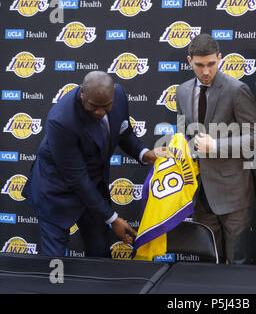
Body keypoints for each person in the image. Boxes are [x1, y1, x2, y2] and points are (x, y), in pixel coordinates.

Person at [22, 71, 162, 257]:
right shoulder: (61, 120)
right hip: (55, 192)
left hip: (92, 190)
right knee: (54, 263)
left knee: (99, 255)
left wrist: (144, 154)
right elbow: (77, 179)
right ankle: (54, 285)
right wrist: (113, 219)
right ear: (82, 93)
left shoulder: (118, 96)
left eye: (106, 106)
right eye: (94, 106)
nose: (100, 112)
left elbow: (123, 131)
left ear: (113, 95)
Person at [175, 34, 256, 264]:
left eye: (211, 64)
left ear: (220, 59)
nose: (205, 71)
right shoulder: (182, 91)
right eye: (199, 65)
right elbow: (184, 133)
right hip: (199, 193)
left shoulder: (236, 90)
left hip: (234, 192)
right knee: (208, 263)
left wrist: (215, 146)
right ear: (189, 61)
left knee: (238, 263)